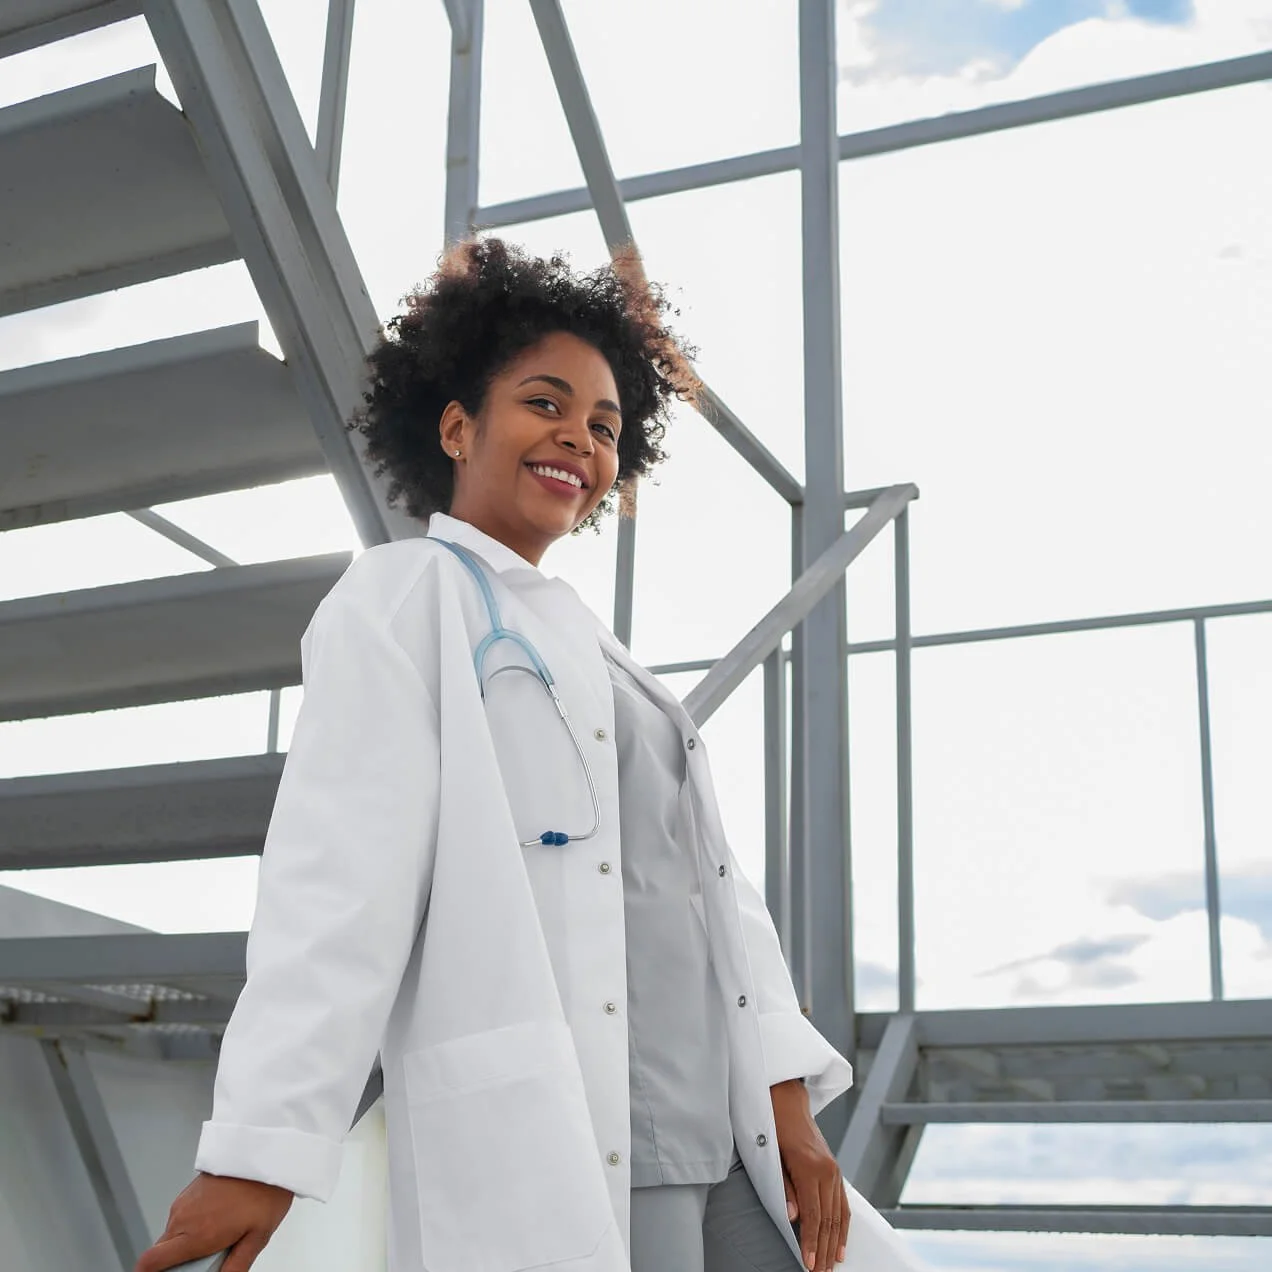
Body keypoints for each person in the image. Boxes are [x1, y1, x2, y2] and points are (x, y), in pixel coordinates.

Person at [136, 238, 854, 1272]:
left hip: (728, 1133)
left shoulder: (606, 661)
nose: (579, 438)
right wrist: (265, 1145)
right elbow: (340, 882)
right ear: (457, 424)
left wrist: (790, 1108)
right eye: (547, 404)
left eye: (605, 426)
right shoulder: (400, 600)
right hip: (591, 1135)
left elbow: (717, 903)